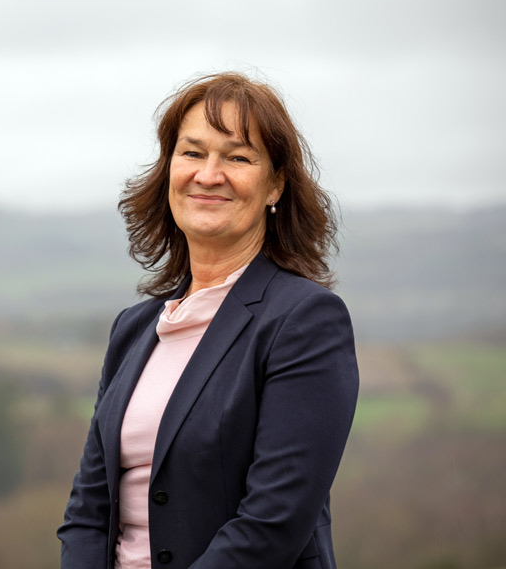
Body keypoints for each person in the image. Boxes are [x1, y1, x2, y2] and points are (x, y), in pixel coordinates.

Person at [57, 72, 359, 569]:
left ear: (275, 184)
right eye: (192, 153)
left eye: (238, 157)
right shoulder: (133, 329)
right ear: (169, 170)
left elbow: (273, 521)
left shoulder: (304, 321)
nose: (209, 174)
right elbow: (89, 511)